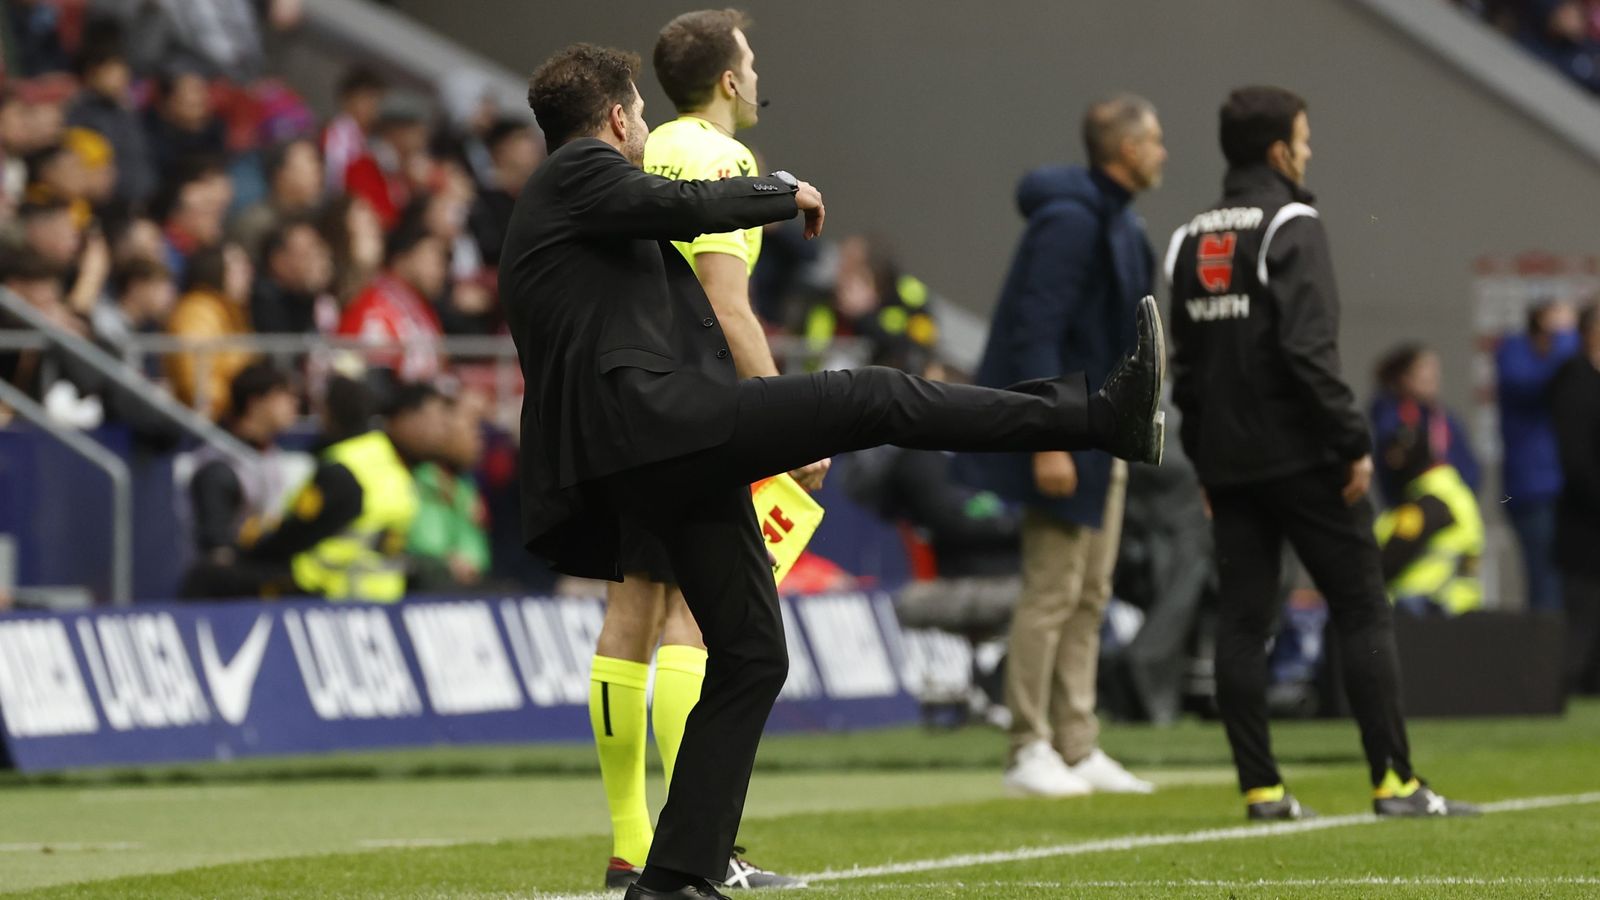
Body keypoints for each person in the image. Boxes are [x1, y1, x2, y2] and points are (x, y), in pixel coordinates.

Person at [505, 43, 1163, 900]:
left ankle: (671, 879)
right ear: (619, 119)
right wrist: (784, 192)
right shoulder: (578, 173)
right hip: (658, 430)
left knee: (750, 654)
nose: (645, 135)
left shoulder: (566, 205)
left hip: (654, 453)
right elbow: (676, 205)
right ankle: (1096, 417)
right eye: (638, 119)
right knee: (877, 395)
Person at [1165, 85, 1475, 821]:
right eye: (1303, 140)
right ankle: (1395, 784)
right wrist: (1351, 445)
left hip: (1229, 464)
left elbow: (1183, 366)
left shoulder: (1187, 237)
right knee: (1363, 606)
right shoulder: (1292, 224)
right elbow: (1310, 353)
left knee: (1243, 619)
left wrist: (1207, 461)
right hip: (1304, 458)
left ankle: (1263, 790)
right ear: (1279, 150)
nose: (1308, 152)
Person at [591, 11, 822, 891]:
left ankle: (629, 840)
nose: (758, 75)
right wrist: (784, 419)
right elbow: (729, 307)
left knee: (633, 609)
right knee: (695, 612)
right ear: (728, 80)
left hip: (627, 394)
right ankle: (701, 845)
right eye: (752, 62)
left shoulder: (643, 152)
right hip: (698, 400)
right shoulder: (726, 162)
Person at [958, 94, 1165, 799]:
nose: (1164, 152)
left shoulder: (1120, 220)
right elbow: (1035, 330)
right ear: (1125, 150)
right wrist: (1047, 438)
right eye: (1155, 140)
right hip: (1064, 431)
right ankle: (1027, 746)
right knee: (1051, 591)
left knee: (1091, 592)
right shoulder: (1070, 221)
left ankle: (1077, 742)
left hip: (1102, 434)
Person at [233, 382, 450, 602]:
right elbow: (293, 534)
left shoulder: (405, 469)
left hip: (372, 607)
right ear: (405, 417)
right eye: (435, 421)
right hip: (318, 597)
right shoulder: (356, 465)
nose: (442, 432)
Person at [181, 363, 297, 587]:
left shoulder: (269, 453)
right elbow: (218, 552)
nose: (293, 404)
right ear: (255, 404)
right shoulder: (219, 464)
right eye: (283, 396)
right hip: (221, 591)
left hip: (257, 573)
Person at [1496, 300, 1579, 612]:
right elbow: (1540, 381)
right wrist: (1568, 337)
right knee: (1547, 585)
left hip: (1565, 489)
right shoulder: (1515, 353)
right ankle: (1547, 659)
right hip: (1534, 491)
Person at [1372, 403, 1485, 617]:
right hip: (1454, 607)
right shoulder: (1450, 490)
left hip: (1426, 607)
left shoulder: (1427, 502)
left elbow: (1390, 559)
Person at [1551, 303, 1600, 694]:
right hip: (1587, 520)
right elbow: (1577, 457)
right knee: (1582, 611)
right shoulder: (1575, 381)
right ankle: (1568, 683)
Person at [336, 211, 446, 382]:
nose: (440, 269)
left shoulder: (421, 304)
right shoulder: (374, 300)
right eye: (432, 258)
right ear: (402, 259)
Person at [1369, 342, 1480, 505]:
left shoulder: (1445, 419)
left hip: (1452, 508)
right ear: (1405, 378)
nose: (1434, 376)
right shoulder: (1391, 418)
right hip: (1411, 512)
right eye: (1425, 368)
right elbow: (1395, 463)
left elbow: (1470, 467)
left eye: (1436, 369)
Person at [406, 393, 493, 593]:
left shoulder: (465, 486)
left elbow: (476, 553)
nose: (479, 440)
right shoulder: (421, 481)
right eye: (471, 431)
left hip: (470, 589)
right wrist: (447, 562)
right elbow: (426, 544)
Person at [64, 23, 154, 210]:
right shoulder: (80, 113)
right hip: (103, 206)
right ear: (91, 72)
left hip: (136, 203)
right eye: (113, 69)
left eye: (124, 69)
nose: (123, 77)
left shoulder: (125, 112)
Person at [165, 242, 255, 418]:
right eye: (240, 268)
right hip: (211, 419)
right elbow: (195, 378)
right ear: (215, 270)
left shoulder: (231, 311)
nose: (249, 274)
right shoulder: (197, 310)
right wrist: (239, 402)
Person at [231, 138, 325, 262]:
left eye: (317, 163)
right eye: (309, 163)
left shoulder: (321, 214)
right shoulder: (254, 224)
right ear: (281, 174)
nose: (318, 171)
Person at [250, 218, 334, 335]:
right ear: (279, 262)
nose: (319, 261)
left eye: (319, 251)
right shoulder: (262, 304)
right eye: (307, 254)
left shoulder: (313, 299)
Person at [322, 66, 386, 195]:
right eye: (367, 99)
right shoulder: (339, 134)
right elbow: (335, 181)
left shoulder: (370, 140)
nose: (372, 107)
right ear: (346, 99)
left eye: (376, 101)